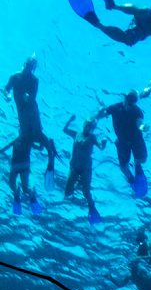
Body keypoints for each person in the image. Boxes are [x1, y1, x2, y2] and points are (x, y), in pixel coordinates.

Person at [2, 55, 57, 188]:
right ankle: (24, 184)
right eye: (28, 65)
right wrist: (7, 95)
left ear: (33, 69)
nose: (28, 69)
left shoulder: (34, 80)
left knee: (38, 136)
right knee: (27, 138)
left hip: (33, 115)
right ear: (24, 63)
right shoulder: (15, 77)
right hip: (24, 120)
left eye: (31, 67)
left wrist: (29, 97)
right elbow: (5, 88)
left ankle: (50, 165)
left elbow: (33, 96)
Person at [96, 90, 148, 197]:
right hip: (122, 141)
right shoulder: (115, 107)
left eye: (133, 101)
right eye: (129, 100)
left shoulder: (137, 111)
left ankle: (137, 165)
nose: (130, 104)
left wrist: (143, 127)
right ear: (125, 98)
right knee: (123, 166)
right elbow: (103, 114)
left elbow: (140, 122)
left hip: (136, 139)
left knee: (143, 159)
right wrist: (98, 113)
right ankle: (131, 179)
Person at [63, 114, 107, 223]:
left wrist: (104, 143)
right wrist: (69, 120)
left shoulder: (92, 138)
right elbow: (64, 130)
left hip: (85, 169)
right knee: (67, 193)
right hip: (74, 167)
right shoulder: (77, 134)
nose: (89, 127)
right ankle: (78, 186)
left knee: (86, 192)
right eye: (88, 125)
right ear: (84, 124)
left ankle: (92, 207)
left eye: (91, 126)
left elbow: (101, 147)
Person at [1, 136, 41, 215]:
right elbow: (40, 148)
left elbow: (4, 149)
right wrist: (44, 142)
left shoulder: (17, 140)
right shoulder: (28, 141)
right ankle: (30, 195)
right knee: (22, 188)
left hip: (17, 165)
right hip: (23, 165)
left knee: (13, 186)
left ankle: (19, 193)